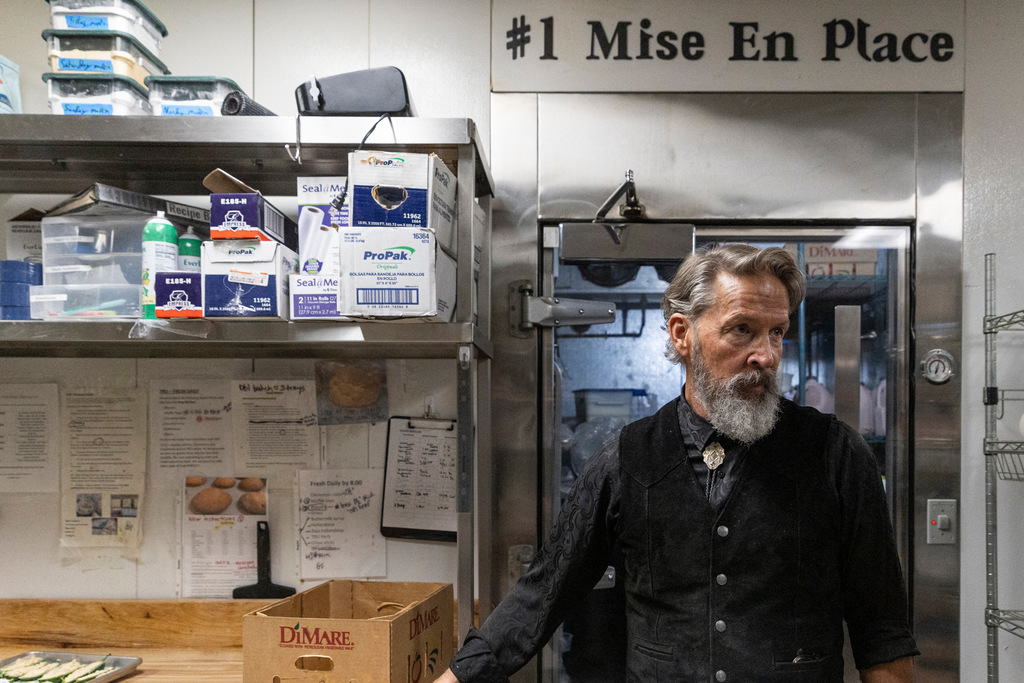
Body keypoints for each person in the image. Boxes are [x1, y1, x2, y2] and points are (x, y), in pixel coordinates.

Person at [439, 244, 918, 682]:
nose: (766, 355)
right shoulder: (626, 460)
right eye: (742, 330)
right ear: (682, 333)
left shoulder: (835, 455)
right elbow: (541, 596)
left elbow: (883, 633)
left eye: (777, 333)